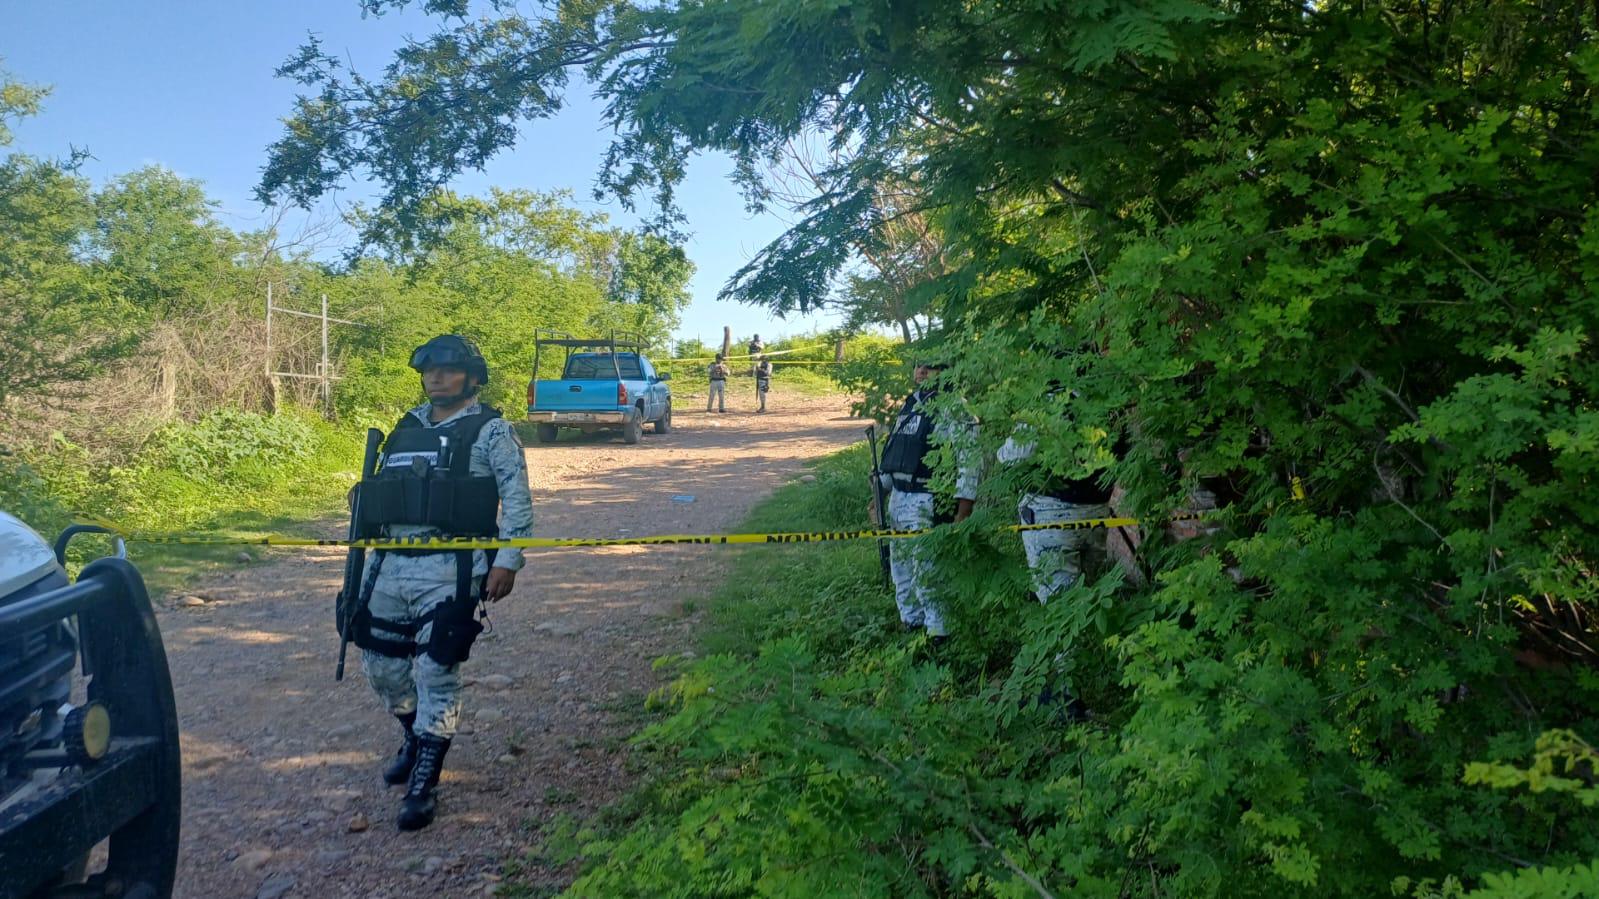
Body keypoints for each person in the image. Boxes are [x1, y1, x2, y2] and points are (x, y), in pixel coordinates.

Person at [346, 334, 534, 831]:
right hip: (389, 562)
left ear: (472, 378)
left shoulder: (493, 431)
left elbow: (516, 498)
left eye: (450, 370)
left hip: (453, 563)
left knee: (436, 668)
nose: (438, 378)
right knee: (382, 666)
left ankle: (426, 775)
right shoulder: (405, 427)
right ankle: (413, 734)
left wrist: (507, 560)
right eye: (430, 370)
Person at [877, 358, 980, 640]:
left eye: (931, 366)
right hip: (898, 498)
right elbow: (896, 455)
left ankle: (939, 636)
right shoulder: (910, 405)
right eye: (918, 365)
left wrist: (964, 507)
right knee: (902, 572)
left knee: (929, 575)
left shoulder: (955, 406)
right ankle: (912, 629)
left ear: (946, 371)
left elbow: (969, 460)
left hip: (929, 499)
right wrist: (879, 493)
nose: (921, 371)